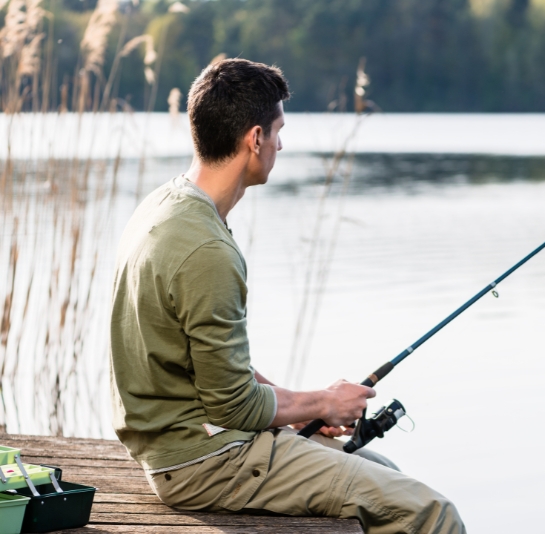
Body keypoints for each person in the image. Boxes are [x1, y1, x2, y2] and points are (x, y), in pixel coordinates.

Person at [109, 58, 465, 534]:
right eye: (278, 131)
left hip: (188, 441)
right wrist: (321, 403)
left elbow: (214, 366)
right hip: (206, 459)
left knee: (384, 470)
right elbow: (233, 407)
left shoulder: (164, 207)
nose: (281, 144)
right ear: (254, 139)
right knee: (433, 514)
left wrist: (294, 412)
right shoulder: (208, 250)